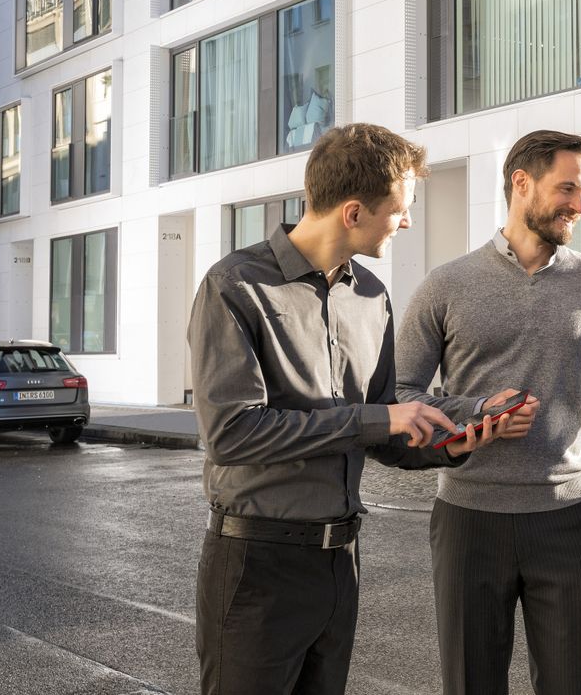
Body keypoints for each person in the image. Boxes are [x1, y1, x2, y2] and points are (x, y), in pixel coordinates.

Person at [189, 123, 535, 695]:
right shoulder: (235, 286)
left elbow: (382, 425)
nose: (407, 222)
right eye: (400, 209)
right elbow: (232, 433)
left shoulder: (371, 297)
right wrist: (381, 418)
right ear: (353, 212)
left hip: (340, 562)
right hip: (256, 564)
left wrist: (460, 435)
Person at [396, 129, 581, 695]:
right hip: (468, 520)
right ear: (521, 183)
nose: (578, 205)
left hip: (568, 517)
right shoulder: (445, 285)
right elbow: (400, 392)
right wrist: (475, 412)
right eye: (567, 189)